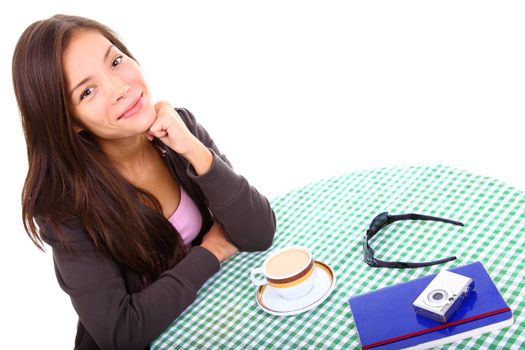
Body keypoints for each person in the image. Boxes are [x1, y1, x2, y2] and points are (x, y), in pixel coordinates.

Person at [12, 14, 276, 350]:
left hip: (216, 324)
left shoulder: (179, 131)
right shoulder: (64, 211)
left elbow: (259, 232)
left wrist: (195, 151)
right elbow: (122, 333)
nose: (119, 88)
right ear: (70, 122)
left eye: (116, 61)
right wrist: (211, 252)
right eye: (88, 91)